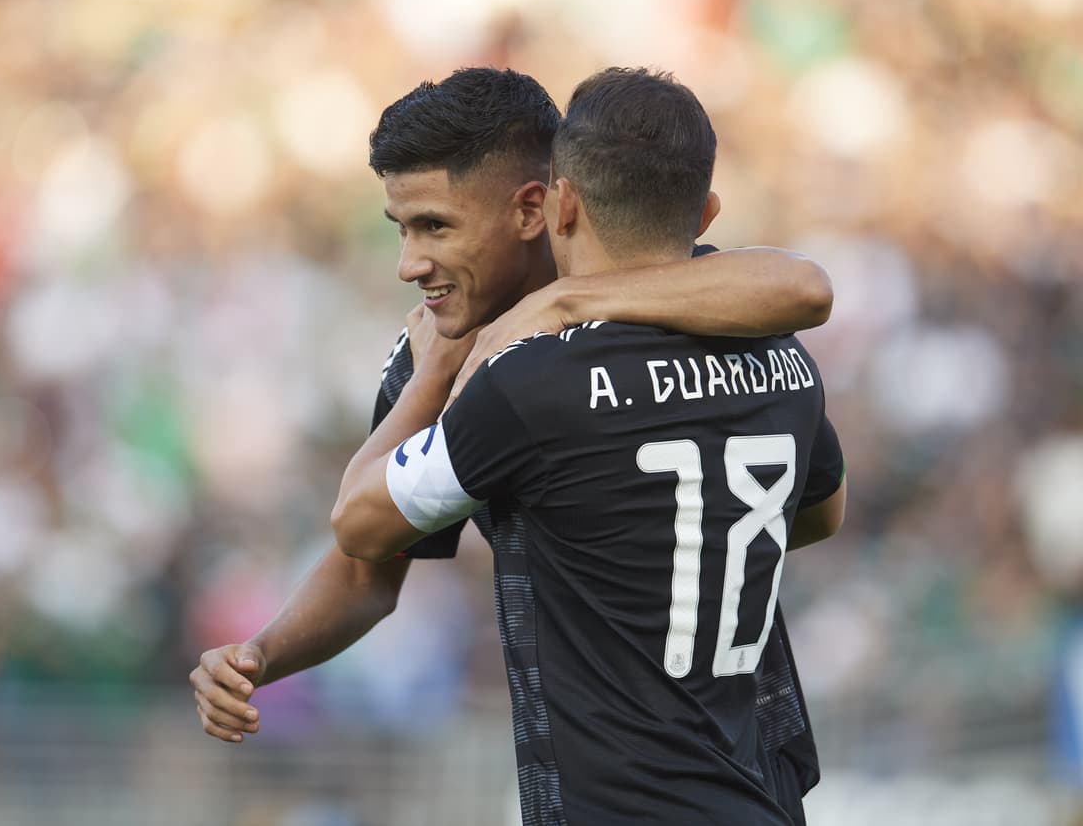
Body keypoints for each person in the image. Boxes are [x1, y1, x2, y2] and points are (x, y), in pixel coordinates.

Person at [189, 68, 833, 821]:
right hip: (761, 786)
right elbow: (371, 568)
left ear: (540, 207)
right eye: (400, 228)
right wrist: (261, 653)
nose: (410, 261)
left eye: (435, 226)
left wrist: (529, 325)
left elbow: (359, 519)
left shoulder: (519, 374)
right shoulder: (721, 307)